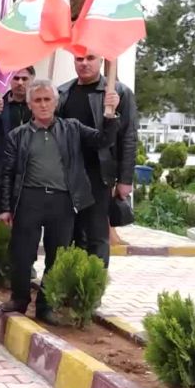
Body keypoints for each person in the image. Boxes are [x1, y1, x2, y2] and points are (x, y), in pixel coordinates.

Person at [0, 80, 121, 322]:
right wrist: (4, 208)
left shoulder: (72, 128)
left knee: (57, 255)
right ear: (30, 104)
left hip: (63, 202)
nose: (43, 105)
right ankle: (19, 299)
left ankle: (45, 306)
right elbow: (7, 173)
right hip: (28, 200)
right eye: (38, 100)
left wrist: (110, 114)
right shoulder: (18, 136)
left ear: (56, 102)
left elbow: (103, 140)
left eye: (47, 100)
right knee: (22, 254)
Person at [57, 52, 138, 267]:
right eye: (79, 59)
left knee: (96, 235)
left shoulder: (118, 92)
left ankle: (92, 290)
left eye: (90, 58)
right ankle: (68, 285)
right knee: (68, 234)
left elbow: (129, 137)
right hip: (66, 175)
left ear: (101, 61)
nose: (84, 63)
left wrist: (125, 179)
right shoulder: (63, 92)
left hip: (99, 175)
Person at [0, 66, 35, 169]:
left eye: (24, 79)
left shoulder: (37, 105)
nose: (20, 82)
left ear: (32, 79)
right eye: (16, 78)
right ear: (9, 79)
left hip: (31, 164)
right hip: (5, 165)